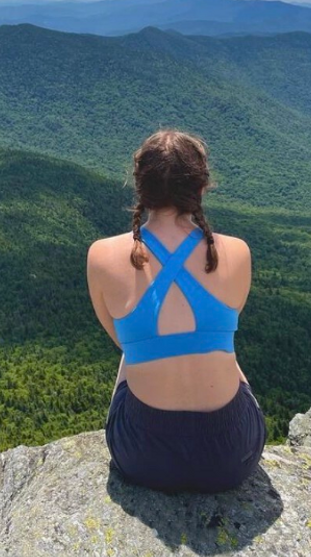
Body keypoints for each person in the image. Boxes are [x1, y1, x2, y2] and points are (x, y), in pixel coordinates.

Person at [86, 130, 265, 493]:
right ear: (201, 187)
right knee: (221, 345)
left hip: (143, 457)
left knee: (135, 348)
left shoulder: (101, 255)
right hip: (231, 457)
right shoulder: (238, 252)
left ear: (140, 186)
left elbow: (122, 343)